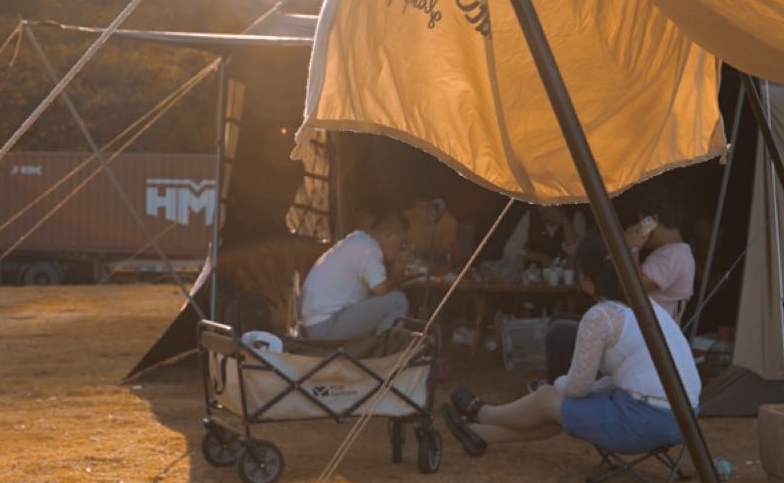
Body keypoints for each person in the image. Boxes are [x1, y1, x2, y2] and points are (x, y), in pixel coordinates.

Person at [439, 234, 700, 458]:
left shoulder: (601, 316)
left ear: (585, 276)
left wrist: (556, 387)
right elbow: (633, 375)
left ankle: (483, 413)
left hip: (646, 420)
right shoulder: (648, 307)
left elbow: (576, 388)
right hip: (684, 419)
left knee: (548, 398)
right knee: (562, 408)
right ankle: (479, 434)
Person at [297, 212, 410, 341]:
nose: (402, 248)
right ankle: (384, 353)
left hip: (316, 324)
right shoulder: (369, 249)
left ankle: (373, 350)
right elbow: (381, 289)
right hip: (325, 327)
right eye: (402, 243)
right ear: (389, 236)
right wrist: (397, 271)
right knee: (397, 301)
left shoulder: (359, 240)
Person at [628, 194, 696, 321]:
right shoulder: (676, 252)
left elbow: (636, 286)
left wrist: (633, 248)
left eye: (642, 222)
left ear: (652, 221)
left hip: (650, 334)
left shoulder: (673, 255)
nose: (639, 228)